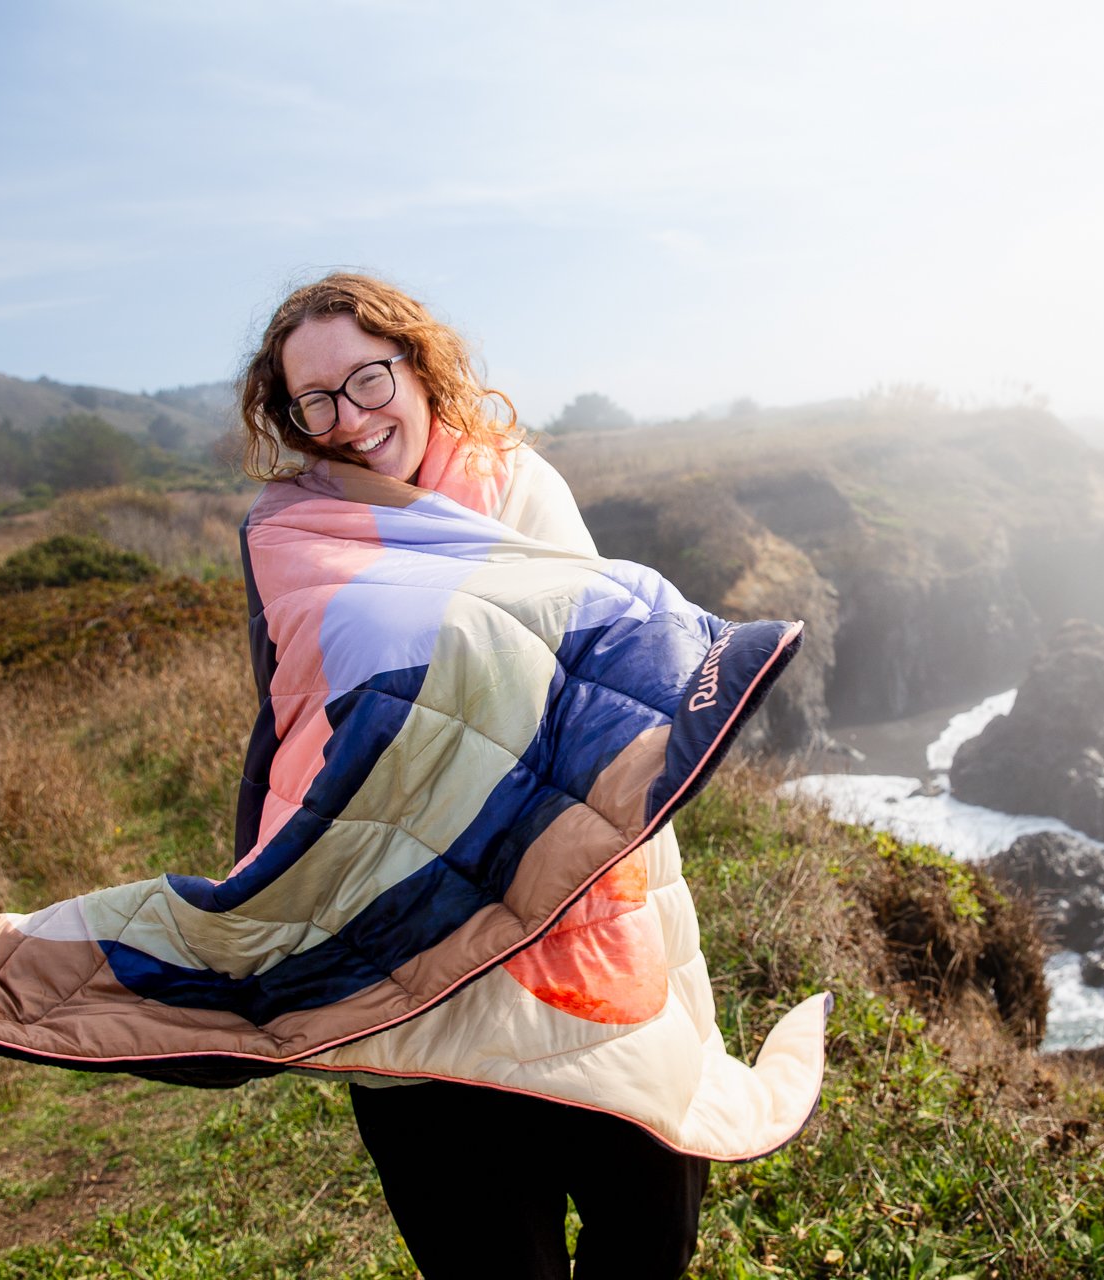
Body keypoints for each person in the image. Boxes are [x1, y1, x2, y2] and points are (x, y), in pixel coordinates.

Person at [234, 273, 803, 1280]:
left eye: (368, 380)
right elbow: (285, 721)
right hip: (407, 941)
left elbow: (604, 665)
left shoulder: (517, 487)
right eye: (313, 401)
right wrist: (251, 911)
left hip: (576, 912)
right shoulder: (289, 534)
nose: (349, 420)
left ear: (414, 363)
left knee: (652, 1227)